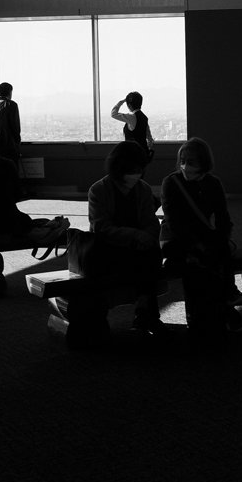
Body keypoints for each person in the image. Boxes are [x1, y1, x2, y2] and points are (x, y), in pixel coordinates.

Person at [161, 137, 242, 335]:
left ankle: (225, 300)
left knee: (215, 248)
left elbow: (224, 218)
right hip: (174, 239)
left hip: (202, 234)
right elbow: (174, 223)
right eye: (183, 160)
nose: (185, 165)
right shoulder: (171, 183)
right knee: (201, 259)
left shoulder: (213, 184)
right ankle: (225, 307)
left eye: (191, 161)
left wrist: (222, 237)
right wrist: (197, 245)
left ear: (203, 162)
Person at [87, 141, 164, 337]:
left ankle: (144, 311)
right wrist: (135, 235)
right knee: (148, 261)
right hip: (110, 250)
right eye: (132, 169)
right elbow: (101, 228)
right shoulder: (99, 190)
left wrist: (146, 236)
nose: (136, 174)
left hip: (138, 248)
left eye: (139, 169)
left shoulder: (143, 189)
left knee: (151, 253)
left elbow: (151, 221)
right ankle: (148, 313)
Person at [110, 91, 154, 162]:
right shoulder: (144, 117)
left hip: (132, 155)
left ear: (129, 106)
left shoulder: (132, 117)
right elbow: (149, 138)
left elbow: (113, 114)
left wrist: (121, 102)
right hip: (142, 154)